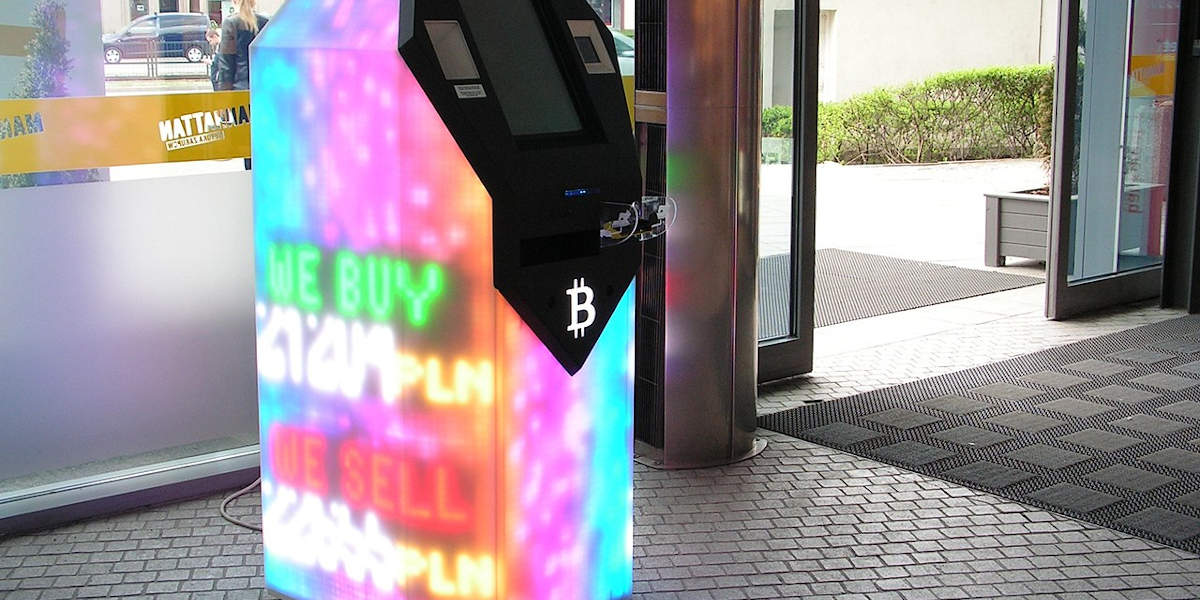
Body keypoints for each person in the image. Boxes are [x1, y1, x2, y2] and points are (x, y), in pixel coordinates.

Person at [215, 0, 267, 169]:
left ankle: (249, 177)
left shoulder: (231, 23)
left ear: (235, 1)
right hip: (264, 92)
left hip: (241, 93)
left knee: (247, 146)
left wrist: (223, 99)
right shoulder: (266, 23)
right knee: (263, 144)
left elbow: (226, 65)